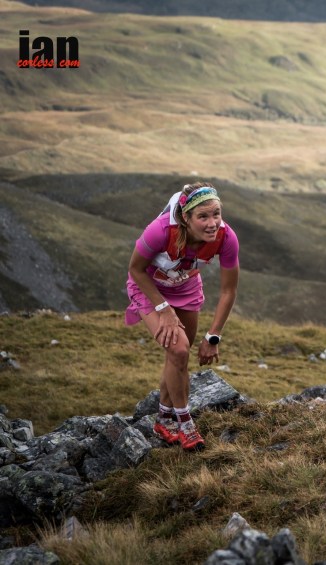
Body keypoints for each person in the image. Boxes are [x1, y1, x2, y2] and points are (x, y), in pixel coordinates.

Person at [125, 182, 239, 451]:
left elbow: (229, 290)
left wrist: (213, 337)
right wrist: (163, 310)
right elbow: (135, 269)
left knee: (177, 356)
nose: (212, 223)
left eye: (216, 214)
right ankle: (185, 424)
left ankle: (164, 419)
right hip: (150, 288)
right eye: (203, 216)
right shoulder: (161, 230)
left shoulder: (226, 237)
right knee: (178, 350)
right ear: (186, 218)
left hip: (186, 288)